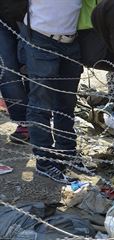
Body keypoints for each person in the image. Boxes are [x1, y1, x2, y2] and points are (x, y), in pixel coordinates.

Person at [19, 0, 87, 183]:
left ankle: (67, 153)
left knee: (66, 104)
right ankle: (46, 161)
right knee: (41, 105)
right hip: (40, 40)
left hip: (70, 42)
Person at [0, 16, 29, 144]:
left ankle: (39, 121)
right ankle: (24, 121)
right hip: (3, 17)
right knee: (6, 71)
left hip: (36, 14)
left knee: (34, 71)